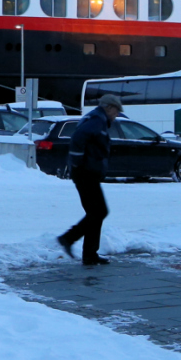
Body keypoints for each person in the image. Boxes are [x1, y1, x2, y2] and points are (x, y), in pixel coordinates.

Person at [58, 93, 120, 265]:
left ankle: (90, 255)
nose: (117, 114)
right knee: (99, 212)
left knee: (95, 213)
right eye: (116, 110)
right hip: (85, 172)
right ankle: (69, 238)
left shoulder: (98, 119)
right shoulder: (96, 120)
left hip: (87, 171)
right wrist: (78, 164)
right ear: (108, 107)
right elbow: (78, 139)